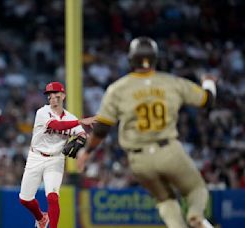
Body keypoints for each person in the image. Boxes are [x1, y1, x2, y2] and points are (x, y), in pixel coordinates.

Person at [77, 37, 216, 228]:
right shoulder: (172, 82)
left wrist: (86, 152)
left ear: (131, 59)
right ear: (155, 58)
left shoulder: (118, 89)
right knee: (196, 189)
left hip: (139, 159)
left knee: (165, 200)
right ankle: (196, 216)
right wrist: (208, 83)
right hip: (169, 150)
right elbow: (208, 101)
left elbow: (102, 128)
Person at [19, 81, 96, 228]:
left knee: (53, 197)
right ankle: (41, 218)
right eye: (50, 94)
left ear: (63, 96)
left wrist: (82, 138)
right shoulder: (42, 112)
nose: (53, 97)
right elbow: (56, 125)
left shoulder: (70, 117)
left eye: (56, 93)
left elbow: (82, 134)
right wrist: (80, 121)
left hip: (56, 159)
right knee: (25, 200)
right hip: (36, 156)